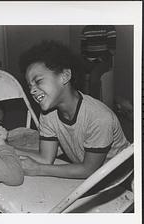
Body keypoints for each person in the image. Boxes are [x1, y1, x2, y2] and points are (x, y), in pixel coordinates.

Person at [17, 40, 130, 179]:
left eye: (38, 81)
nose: (32, 90)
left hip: (120, 178)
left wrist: (39, 169)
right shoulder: (47, 114)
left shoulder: (99, 117)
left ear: (65, 76)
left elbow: (88, 170)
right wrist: (5, 148)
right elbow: (46, 159)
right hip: (88, 175)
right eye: (29, 86)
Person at [80, 25, 116, 100]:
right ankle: (82, 102)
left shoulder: (109, 28)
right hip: (88, 61)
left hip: (104, 61)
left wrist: (97, 61)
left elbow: (112, 50)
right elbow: (83, 50)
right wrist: (85, 60)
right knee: (75, 71)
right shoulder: (85, 29)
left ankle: (95, 104)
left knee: (94, 76)